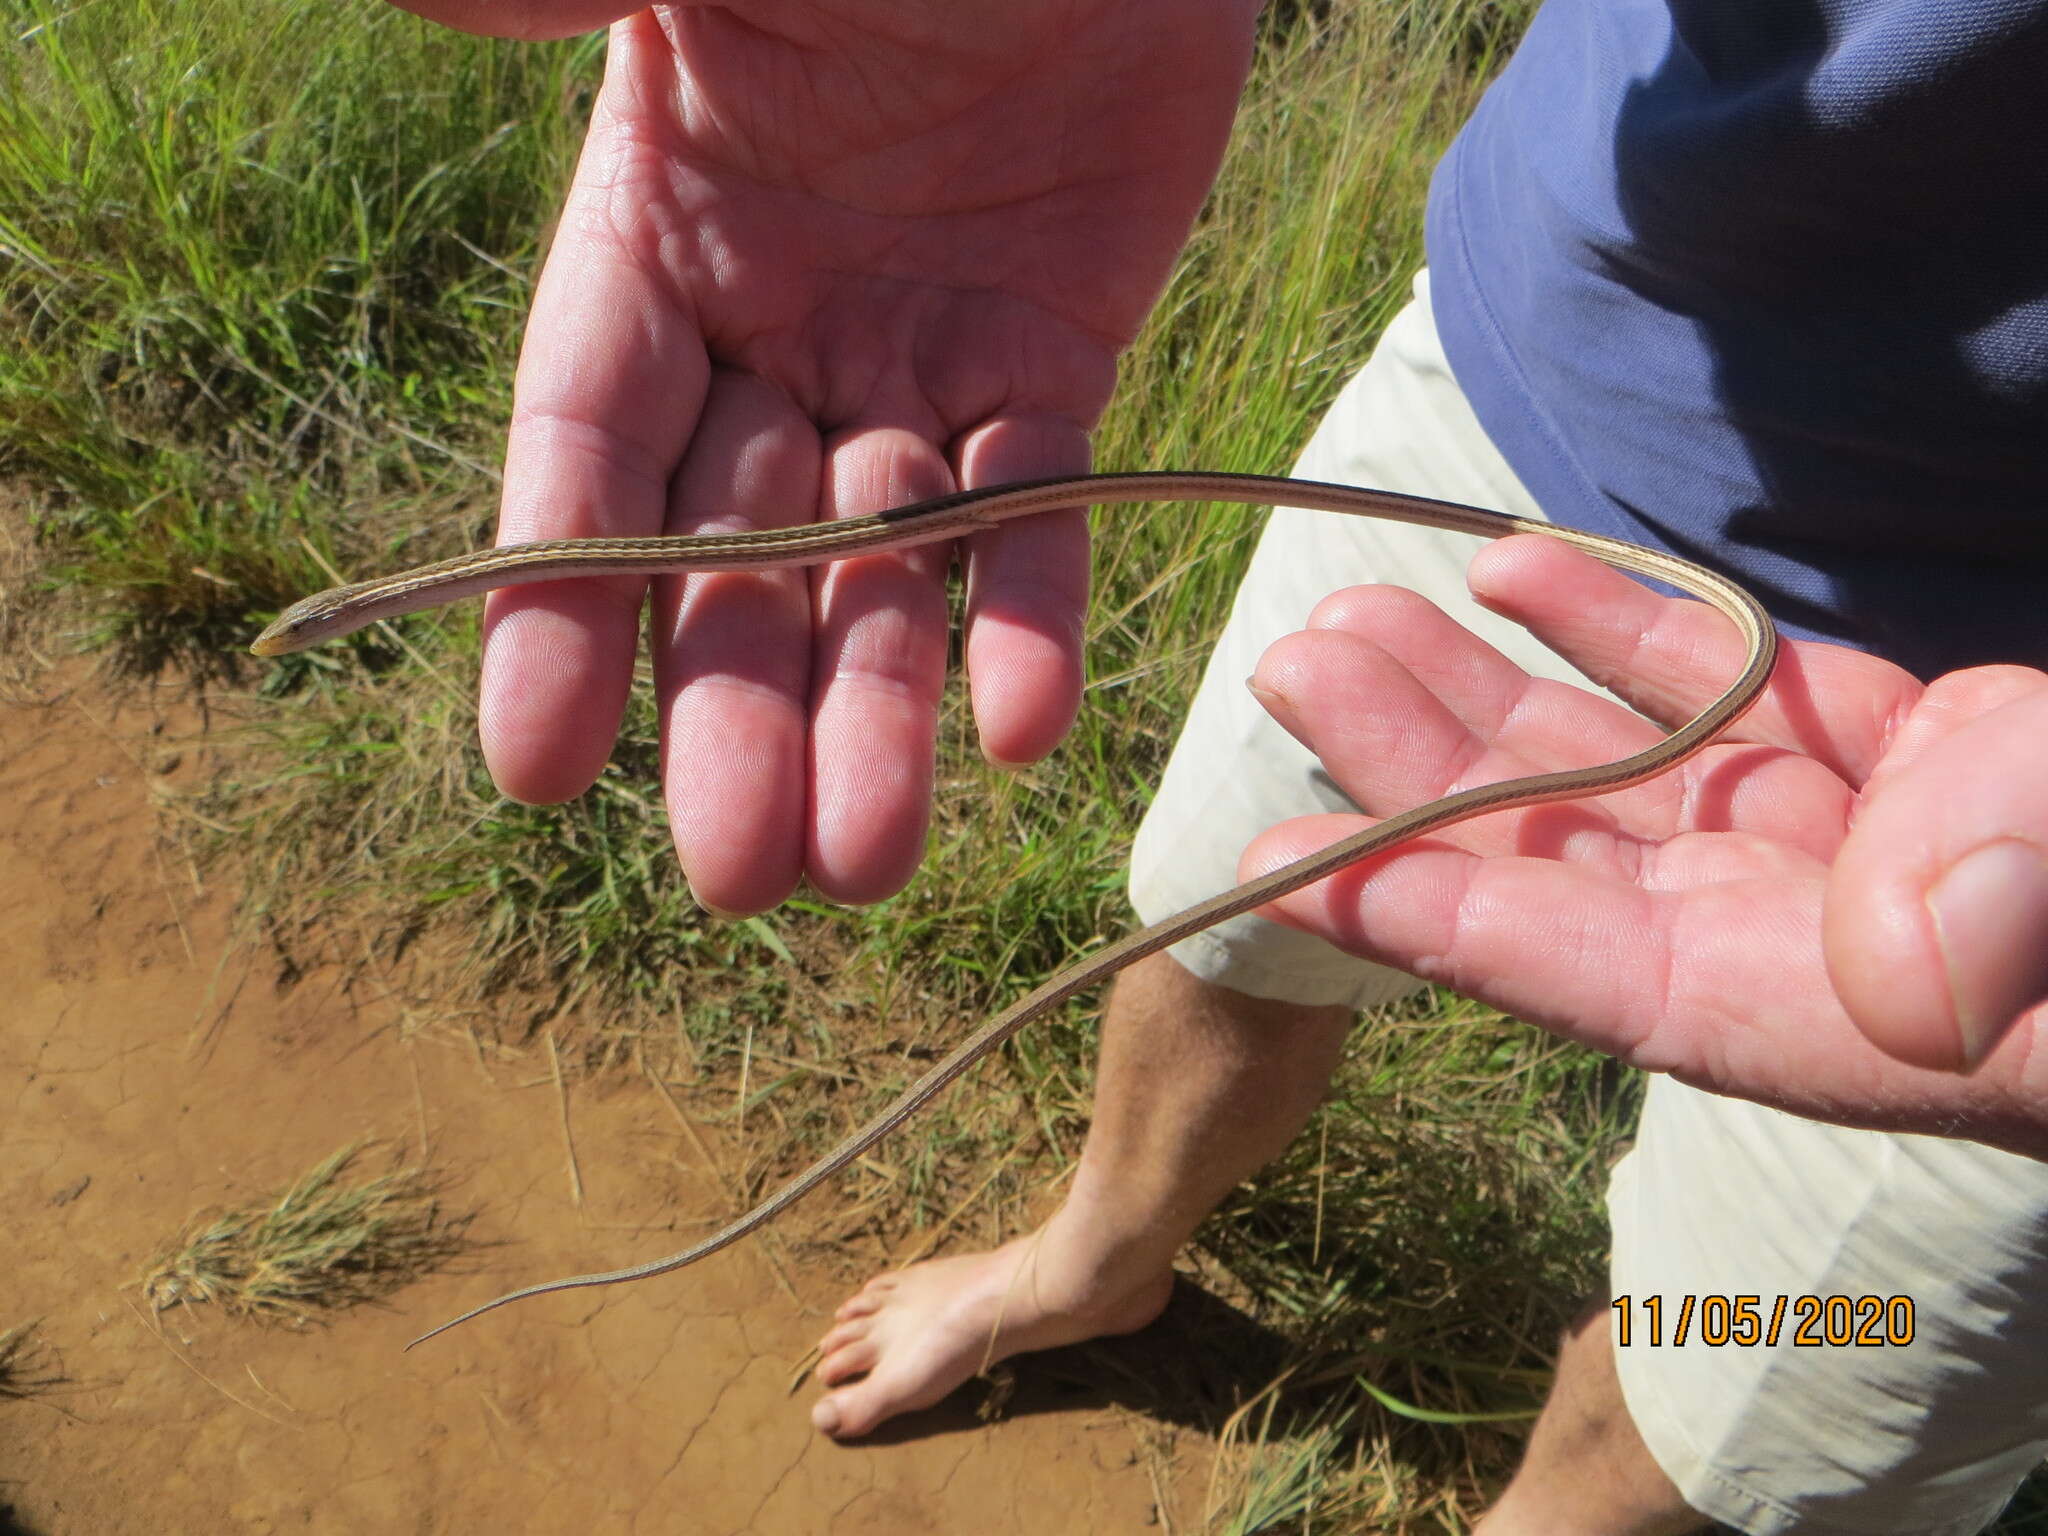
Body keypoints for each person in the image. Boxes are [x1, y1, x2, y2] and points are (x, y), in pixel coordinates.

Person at [391, 0, 2048, 1529]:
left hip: (2007, 739)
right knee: (1224, 916)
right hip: (1561, 359)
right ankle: (1099, 1260)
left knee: (1757, 1392)